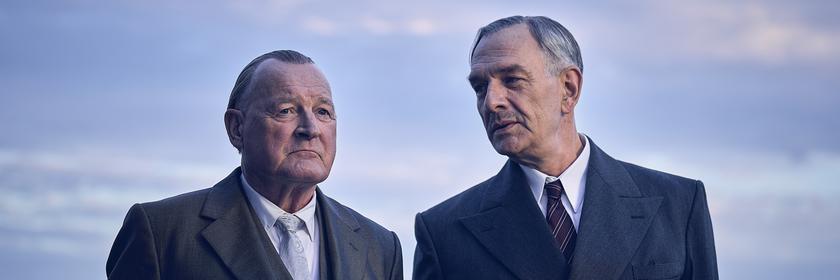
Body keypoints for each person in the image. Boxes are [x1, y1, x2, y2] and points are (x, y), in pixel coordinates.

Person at [413, 16, 718, 280]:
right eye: (481, 88)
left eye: (512, 80)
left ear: (568, 89)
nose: (492, 101)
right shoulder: (443, 232)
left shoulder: (678, 205)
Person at [107, 50, 403, 280]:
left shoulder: (380, 247)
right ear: (237, 127)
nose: (310, 128)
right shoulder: (162, 233)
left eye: (323, 111)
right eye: (286, 110)